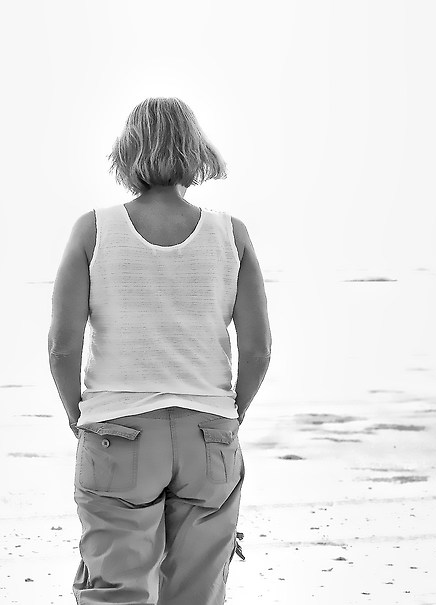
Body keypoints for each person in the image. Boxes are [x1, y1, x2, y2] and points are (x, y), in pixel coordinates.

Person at [47, 97, 272, 605]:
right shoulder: (231, 235)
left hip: (118, 436)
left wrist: (76, 416)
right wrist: (230, 415)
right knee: (195, 597)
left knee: (115, 595)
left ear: (127, 154)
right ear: (195, 152)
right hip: (207, 436)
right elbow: (257, 351)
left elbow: (62, 347)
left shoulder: (94, 229)